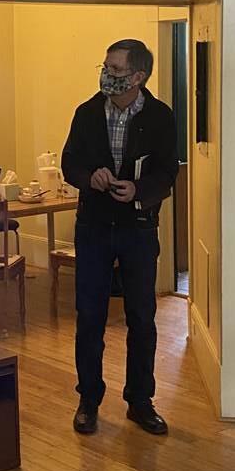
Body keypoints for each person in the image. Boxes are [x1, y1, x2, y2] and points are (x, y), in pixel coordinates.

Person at [62, 39, 179, 436]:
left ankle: (140, 401)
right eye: (105, 66)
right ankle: (88, 400)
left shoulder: (160, 116)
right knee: (89, 316)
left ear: (138, 76)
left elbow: (168, 172)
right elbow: (70, 163)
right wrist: (89, 177)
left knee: (141, 317)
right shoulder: (87, 112)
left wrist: (140, 190)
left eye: (115, 69)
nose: (106, 74)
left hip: (138, 228)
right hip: (93, 226)